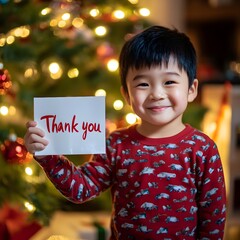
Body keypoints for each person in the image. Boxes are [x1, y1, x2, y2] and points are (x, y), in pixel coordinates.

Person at [24, 25, 226, 240]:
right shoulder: (116, 143)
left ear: (191, 89)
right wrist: (48, 156)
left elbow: (213, 217)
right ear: (127, 95)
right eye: (143, 84)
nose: (157, 94)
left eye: (169, 82)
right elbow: (81, 189)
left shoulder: (203, 148)